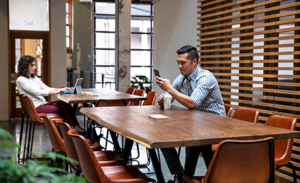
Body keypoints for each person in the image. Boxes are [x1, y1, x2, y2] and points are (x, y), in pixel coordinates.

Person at [155, 45, 226, 183]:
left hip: (216, 126)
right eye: (178, 63)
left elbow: (192, 103)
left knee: (193, 139)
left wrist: (169, 89)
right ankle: (180, 174)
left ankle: (189, 176)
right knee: (160, 136)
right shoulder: (182, 78)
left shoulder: (206, 77)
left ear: (194, 62)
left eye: (183, 63)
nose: (180, 66)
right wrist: (163, 100)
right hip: (197, 124)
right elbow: (171, 97)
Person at [16, 55, 85, 133]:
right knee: (61, 110)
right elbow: (37, 92)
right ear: (25, 67)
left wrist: (60, 89)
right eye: (32, 65)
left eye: (35, 65)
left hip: (42, 103)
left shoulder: (34, 78)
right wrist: (56, 91)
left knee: (65, 104)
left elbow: (47, 88)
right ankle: (68, 133)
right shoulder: (21, 80)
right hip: (35, 108)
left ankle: (74, 128)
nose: (35, 67)